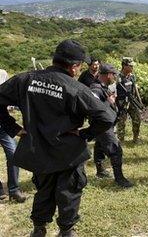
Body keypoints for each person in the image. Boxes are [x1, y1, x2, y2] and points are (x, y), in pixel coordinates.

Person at [0, 40, 115, 237]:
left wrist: (14, 128)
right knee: (69, 192)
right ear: (73, 66)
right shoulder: (75, 88)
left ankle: (38, 229)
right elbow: (107, 117)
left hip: (39, 150)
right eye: (80, 66)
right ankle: (67, 231)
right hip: (68, 152)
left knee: (43, 190)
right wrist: (85, 133)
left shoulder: (25, 80)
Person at [90, 64, 134, 188]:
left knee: (99, 146)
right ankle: (119, 179)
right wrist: (108, 102)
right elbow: (92, 106)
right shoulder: (96, 89)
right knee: (116, 150)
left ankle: (100, 171)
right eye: (113, 74)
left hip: (104, 125)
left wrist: (110, 101)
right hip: (102, 125)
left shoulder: (103, 87)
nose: (115, 76)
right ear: (108, 74)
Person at [0, 69, 26, 203]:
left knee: (14, 154)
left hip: (2, 125)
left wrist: (15, 129)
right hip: (4, 123)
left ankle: (14, 190)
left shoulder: (2, 74)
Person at [116, 57, 142, 143]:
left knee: (137, 119)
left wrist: (139, 101)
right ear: (124, 66)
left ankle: (136, 138)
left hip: (132, 101)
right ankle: (120, 140)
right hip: (121, 102)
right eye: (130, 66)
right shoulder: (118, 77)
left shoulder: (132, 76)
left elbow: (135, 88)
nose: (132, 68)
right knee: (121, 121)